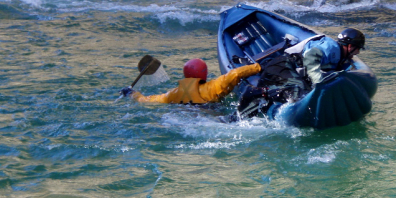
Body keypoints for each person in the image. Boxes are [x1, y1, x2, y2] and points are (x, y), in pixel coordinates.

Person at [236, 28, 366, 117]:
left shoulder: (341, 58)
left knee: (303, 89)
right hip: (282, 65)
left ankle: (267, 100)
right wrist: (318, 81)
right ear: (349, 46)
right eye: (357, 49)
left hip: (289, 71)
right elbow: (310, 58)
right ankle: (256, 93)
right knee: (299, 89)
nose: (358, 53)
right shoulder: (330, 47)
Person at [121, 58, 261, 104]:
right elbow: (235, 74)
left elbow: (147, 100)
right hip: (210, 114)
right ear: (203, 74)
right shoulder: (213, 87)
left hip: (186, 117)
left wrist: (132, 93)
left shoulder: (174, 94)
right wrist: (258, 66)